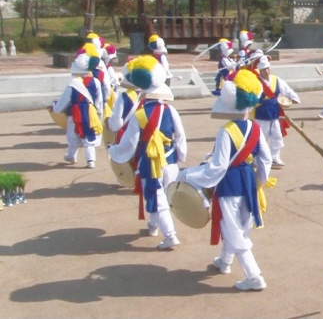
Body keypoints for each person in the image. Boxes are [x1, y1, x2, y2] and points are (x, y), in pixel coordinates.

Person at [179, 69, 273, 291]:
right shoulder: (255, 127)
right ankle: (225, 262)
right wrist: (259, 181)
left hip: (229, 183)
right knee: (240, 225)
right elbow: (266, 159)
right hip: (248, 182)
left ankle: (254, 276)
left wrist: (187, 174)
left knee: (232, 228)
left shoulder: (226, 131)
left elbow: (217, 168)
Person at [108, 55, 186, 250]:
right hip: (170, 161)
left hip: (150, 164)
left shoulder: (140, 115)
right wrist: (181, 156)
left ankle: (170, 235)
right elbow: (181, 137)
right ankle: (153, 225)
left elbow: (130, 144)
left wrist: (114, 151)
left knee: (157, 198)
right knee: (163, 196)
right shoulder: (171, 110)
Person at [51, 49, 104, 168]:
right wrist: (98, 111)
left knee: (72, 134)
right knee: (89, 134)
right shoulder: (95, 81)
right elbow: (99, 100)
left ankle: (71, 156)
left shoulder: (73, 83)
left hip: (75, 112)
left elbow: (64, 100)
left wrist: (56, 108)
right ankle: (91, 160)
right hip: (90, 112)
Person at [252, 55, 300, 167]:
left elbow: (287, 89)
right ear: (260, 70)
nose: (267, 71)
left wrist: (293, 98)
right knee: (261, 137)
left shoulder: (276, 79)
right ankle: (257, 158)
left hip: (275, 113)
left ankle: (275, 157)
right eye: (264, 69)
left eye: (268, 68)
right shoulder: (256, 82)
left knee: (277, 136)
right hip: (261, 113)